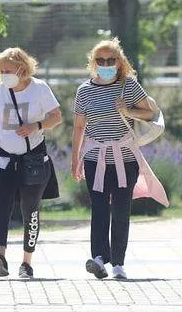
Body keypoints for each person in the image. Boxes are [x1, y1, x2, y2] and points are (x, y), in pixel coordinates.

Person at [71, 38, 168, 280]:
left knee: (121, 209)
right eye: (100, 60)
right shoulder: (84, 91)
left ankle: (118, 264)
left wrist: (128, 111)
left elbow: (150, 112)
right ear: (93, 63)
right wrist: (76, 159)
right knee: (99, 209)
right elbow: (79, 127)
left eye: (111, 60)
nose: (105, 64)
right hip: (95, 157)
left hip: (125, 158)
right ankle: (99, 259)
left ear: (120, 62)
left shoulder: (129, 86)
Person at [0, 47, 62, 280]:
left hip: (32, 160)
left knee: (30, 211)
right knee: (1, 207)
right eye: (0, 70)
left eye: (7, 70)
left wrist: (37, 127)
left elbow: (56, 116)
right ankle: (0, 256)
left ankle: (26, 263)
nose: (3, 74)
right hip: (2, 159)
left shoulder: (40, 89)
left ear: (22, 68)